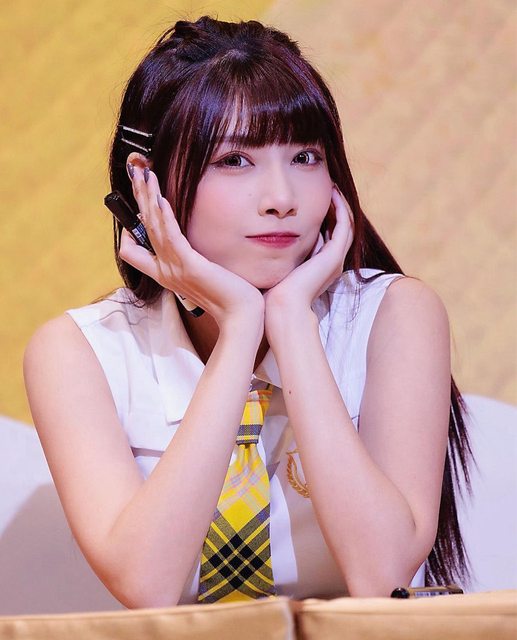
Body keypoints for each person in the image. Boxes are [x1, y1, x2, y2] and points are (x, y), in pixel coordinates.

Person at [24, 16, 471, 608]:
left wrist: (291, 322)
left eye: (305, 157)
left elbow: (381, 577)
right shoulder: (81, 350)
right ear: (145, 181)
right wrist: (239, 328)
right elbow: (146, 586)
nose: (282, 199)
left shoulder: (395, 316)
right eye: (235, 160)